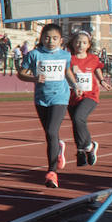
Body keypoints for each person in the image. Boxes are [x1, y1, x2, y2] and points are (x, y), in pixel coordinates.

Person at [18, 23, 78, 188]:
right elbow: (21, 74)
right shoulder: (34, 55)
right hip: (41, 99)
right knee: (49, 134)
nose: (50, 41)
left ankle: (52, 173)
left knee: (52, 131)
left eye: (54, 38)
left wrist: (75, 85)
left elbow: (67, 71)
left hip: (60, 97)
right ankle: (58, 146)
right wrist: (34, 79)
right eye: (47, 37)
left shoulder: (65, 55)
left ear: (61, 40)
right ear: (41, 38)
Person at [67, 30, 109, 167]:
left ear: (89, 45)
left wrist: (102, 80)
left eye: (84, 42)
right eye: (78, 42)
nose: (80, 45)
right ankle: (85, 149)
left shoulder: (93, 58)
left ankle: (85, 147)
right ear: (72, 43)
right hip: (72, 96)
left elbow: (97, 68)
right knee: (76, 122)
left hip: (90, 95)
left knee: (79, 118)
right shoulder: (68, 58)